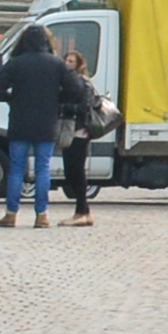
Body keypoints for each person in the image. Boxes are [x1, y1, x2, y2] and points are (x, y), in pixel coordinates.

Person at [0, 21, 76, 229]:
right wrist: (59, 98)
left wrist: (10, 97)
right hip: (46, 122)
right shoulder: (56, 63)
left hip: (20, 121)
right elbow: (77, 89)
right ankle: (42, 215)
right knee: (43, 168)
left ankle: (11, 214)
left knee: (17, 169)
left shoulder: (16, 63)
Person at [56, 36, 104, 225]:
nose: (67, 64)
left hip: (80, 131)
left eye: (71, 61)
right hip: (69, 131)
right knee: (70, 172)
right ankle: (84, 211)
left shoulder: (83, 83)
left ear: (78, 65)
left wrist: (63, 108)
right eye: (66, 60)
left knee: (76, 171)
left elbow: (84, 107)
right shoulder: (67, 83)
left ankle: (82, 211)